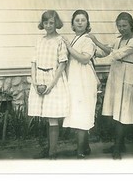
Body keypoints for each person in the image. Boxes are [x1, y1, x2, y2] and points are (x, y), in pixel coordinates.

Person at [88, 12, 133, 160]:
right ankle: (120, 144)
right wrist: (93, 50)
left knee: (122, 112)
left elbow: (116, 54)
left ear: (131, 25)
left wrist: (97, 41)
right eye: (119, 26)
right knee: (115, 111)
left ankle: (117, 148)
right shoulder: (118, 40)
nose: (122, 28)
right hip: (116, 75)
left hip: (127, 75)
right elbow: (106, 51)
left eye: (124, 26)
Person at [28, 10, 70, 160]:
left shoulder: (60, 40)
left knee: (52, 117)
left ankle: (53, 153)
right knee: (45, 115)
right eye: (46, 22)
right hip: (39, 78)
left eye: (51, 22)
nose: (48, 25)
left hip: (54, 80)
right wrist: (34, 81)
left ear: (56, 23)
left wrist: (51, 85)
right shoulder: (39, 40)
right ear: (42, 24)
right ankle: (47, 149)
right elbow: (33, 62)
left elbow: (62, 64)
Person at [62, 10, 99, 158]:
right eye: (77, 20)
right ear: (72, 24)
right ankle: (85, 147)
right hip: (74, 79)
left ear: (87, 23)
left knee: (82, 113)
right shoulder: (73, 39)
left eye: (83, 20)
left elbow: (84, 59)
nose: (79, 22)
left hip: (84, 80)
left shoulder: (87, 40)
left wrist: (69, 49)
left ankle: (80, 151)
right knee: (76, 113)